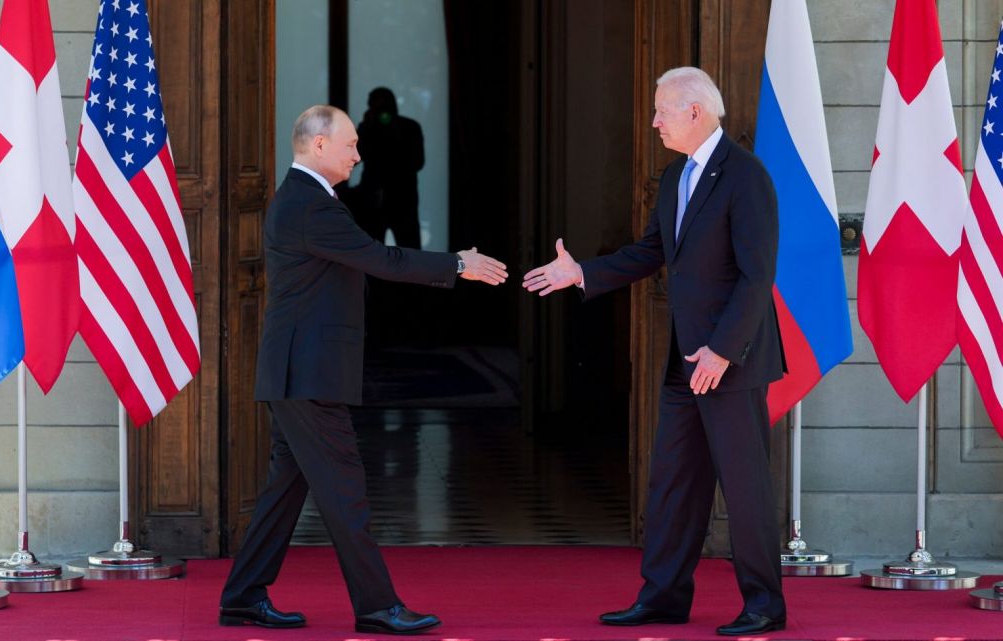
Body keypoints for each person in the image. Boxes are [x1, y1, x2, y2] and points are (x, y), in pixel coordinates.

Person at [219, 105, 508, 634]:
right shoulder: (310, 205)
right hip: (307, 374)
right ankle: (377, 606)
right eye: (350, 143)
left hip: (299, 372)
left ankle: (243, 596)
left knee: (287, 489)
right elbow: (381, 259)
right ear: (319, 144)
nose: (358, 153)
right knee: (345, 490)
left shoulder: (309, 199)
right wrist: (457, 264)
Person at [522, 67, 786, 636]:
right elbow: (649, 252)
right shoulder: (673, 177)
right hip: (684, 362)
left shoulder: (745, 175)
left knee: (745, 488)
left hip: (729, 362)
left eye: (663, 110)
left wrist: (722, 350)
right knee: (673, 484)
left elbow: (757, 275)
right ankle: (663, 597)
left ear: (695, 111)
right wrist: (581, 273)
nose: (655, 121)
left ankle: (765, 604)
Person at [355, 87, 425, 248]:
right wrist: (365, 129)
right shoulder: (368, 128)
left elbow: (417, 161)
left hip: (402, 200)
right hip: (374, 200)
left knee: (409, 252)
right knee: (371, 253)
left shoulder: (409, 127)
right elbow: (355, 157)